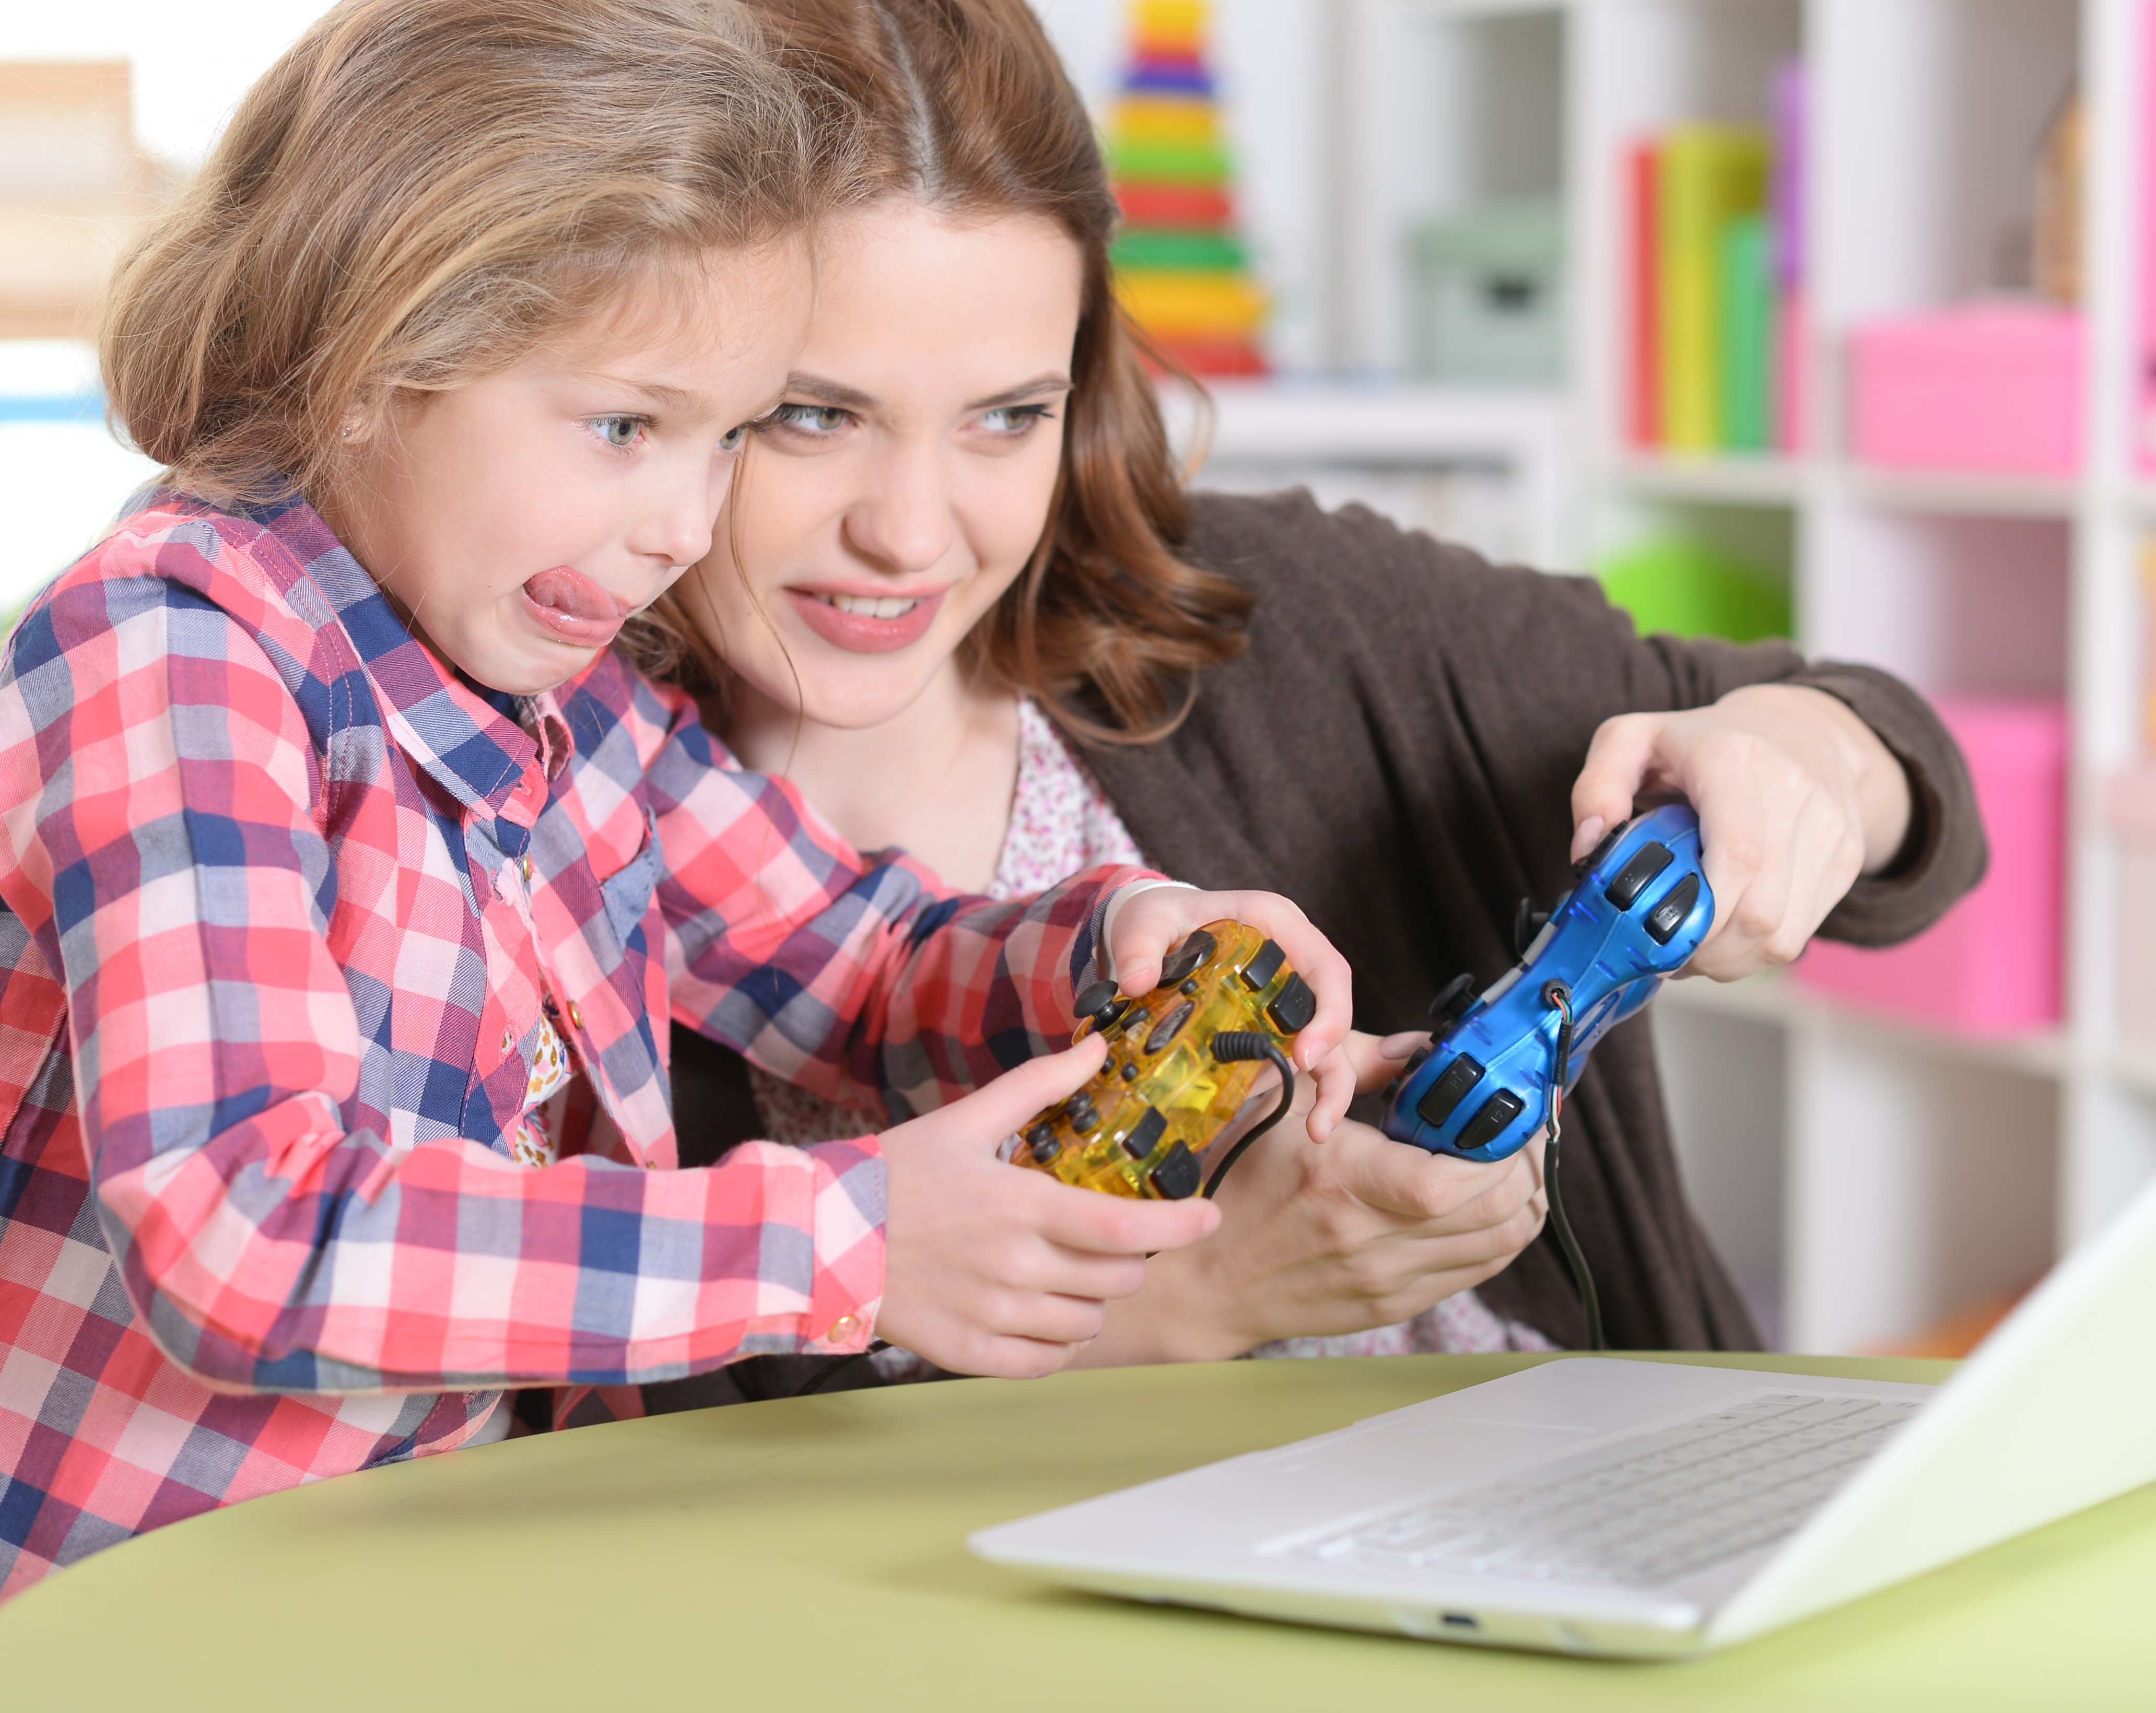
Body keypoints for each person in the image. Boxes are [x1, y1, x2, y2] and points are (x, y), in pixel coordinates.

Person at [0, 0, 1356, 1597]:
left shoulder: (572, 698)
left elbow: (854, 962)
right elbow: (244, 1231)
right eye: (627, 427)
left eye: (727, 438)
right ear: (370, 356)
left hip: (436, 1582)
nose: (680, 526)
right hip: (135, 1616)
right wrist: (843, 1242)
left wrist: (1118, 937)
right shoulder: (172, 653)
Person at [626, 0, 1986, 1407]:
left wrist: (1801, 760)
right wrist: (1203, 1300)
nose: (911, 535)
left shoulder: (1282, 609)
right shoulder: (527, 834)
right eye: (814, 415)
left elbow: (1895, 764)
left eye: (1006, 416)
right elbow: (657, 1506)